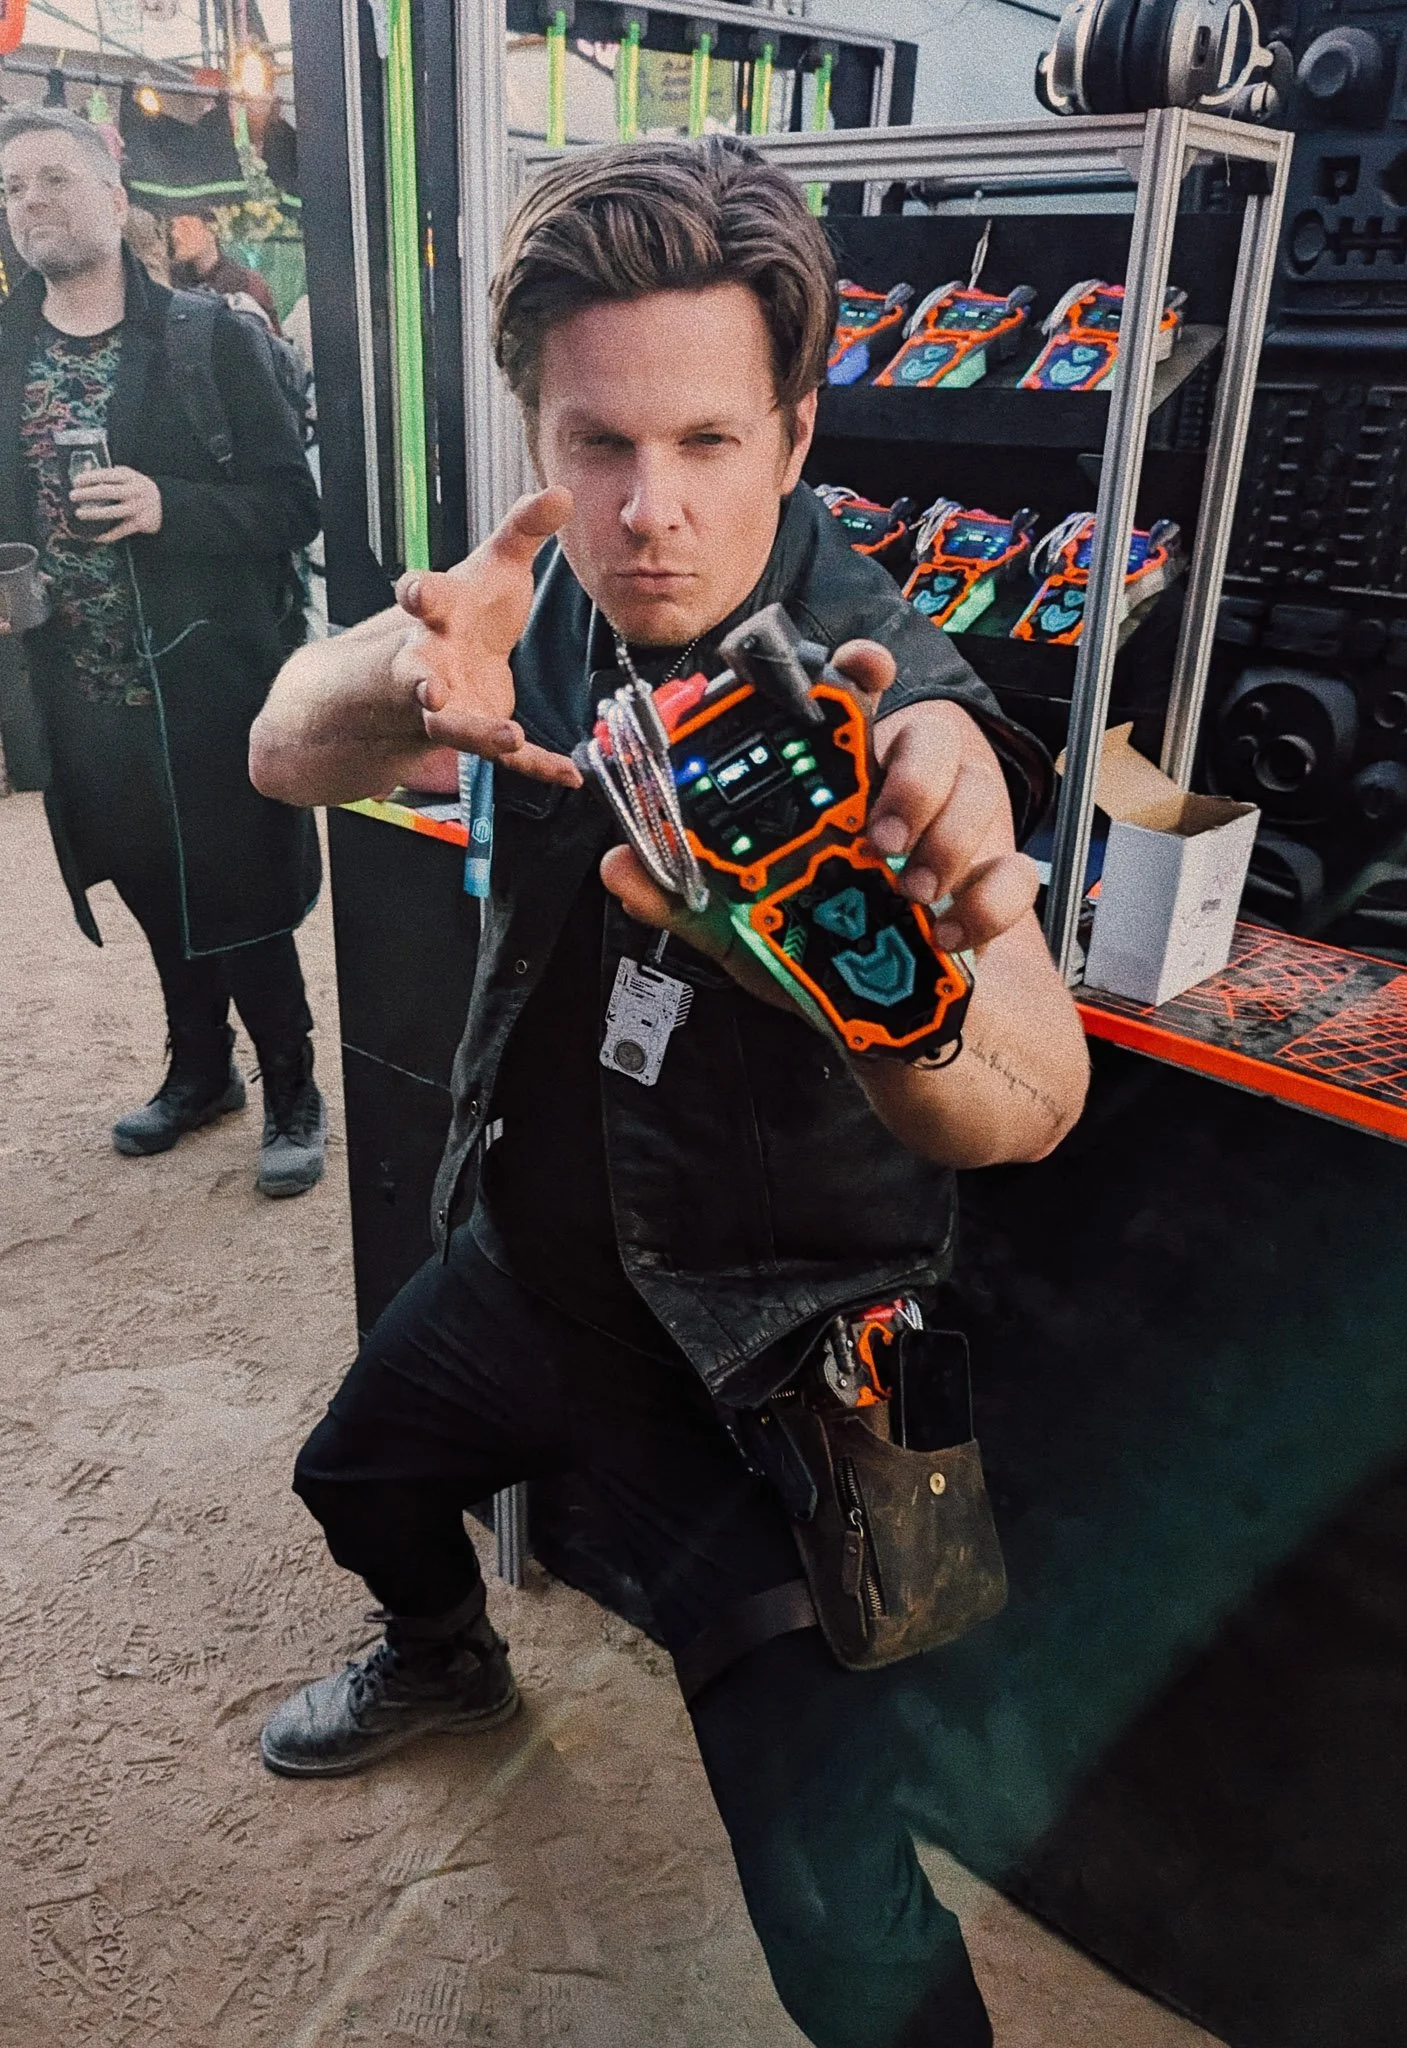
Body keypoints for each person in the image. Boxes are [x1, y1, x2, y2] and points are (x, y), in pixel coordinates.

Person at [250, 137, 1091, 2045]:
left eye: (709, 442)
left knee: (840, 1910)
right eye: (597, 444)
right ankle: (446, 1656)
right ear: (536, 433)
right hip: (522, 1271)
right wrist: (408, 678)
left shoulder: (879, 694)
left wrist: (870, 981)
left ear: (794, 436)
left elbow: (1031, 1094)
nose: (648, 511)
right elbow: (280, 752)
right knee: (351, 1477)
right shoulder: (536, 594)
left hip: (753, 1370)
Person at [0, 106, 327, 1197]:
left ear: (113, 197)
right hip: (79, 688)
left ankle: (292, 1084)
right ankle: (201, 1070)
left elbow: (293, 506)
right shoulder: (4, 353)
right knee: (148, 880)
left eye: (52, 179)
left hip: (208, 679)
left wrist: (166, 505)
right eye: (10, 188)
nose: (29, 204)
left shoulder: (209, 338)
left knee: (240, 885)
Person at [168, 205, 278, 329]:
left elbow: (269, 336)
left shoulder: (247, 282)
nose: (175, 235)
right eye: (172, 227)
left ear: (212, 227)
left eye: (185, 226)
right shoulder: (168, 279)